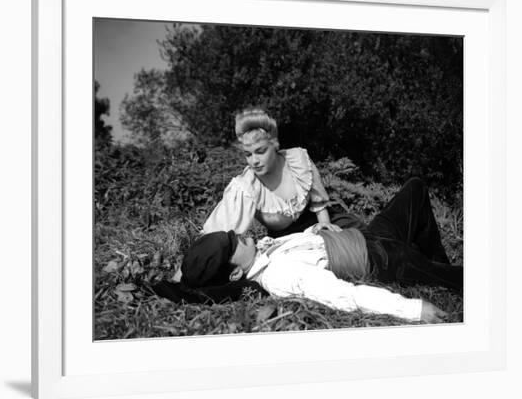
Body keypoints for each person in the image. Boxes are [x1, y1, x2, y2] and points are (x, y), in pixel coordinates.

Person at [179, 178, 462, 323]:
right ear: (236, 273)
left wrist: (314, 231)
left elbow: (298, 243)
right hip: (383, 259)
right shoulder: (280, 276)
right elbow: (346, 297)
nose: (238, 234)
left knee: (415, 188)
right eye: (232, 244)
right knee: (460, 279)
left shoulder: (263, 249)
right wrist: (412, 309)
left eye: (231, 233)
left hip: (368, 237)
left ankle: (434, 265)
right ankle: (440, 275)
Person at [202, 109, 346, 238]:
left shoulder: (298, 160)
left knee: (358, 239)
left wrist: (325, 224)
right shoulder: (245, 187)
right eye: (248, 154)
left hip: (319, 222)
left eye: (260, 151)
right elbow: (217, 231)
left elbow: (318, 202)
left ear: (274, 144)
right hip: (286, 241)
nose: (254, 161)